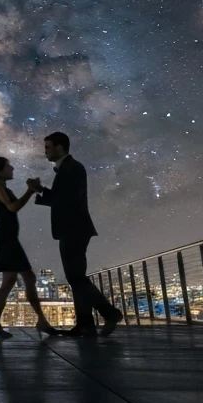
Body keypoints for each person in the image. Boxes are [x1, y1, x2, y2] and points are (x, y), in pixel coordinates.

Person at [26, 132, 122, 337]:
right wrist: (41, 190)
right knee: (76, 278)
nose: (45, 152)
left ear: (60, 148)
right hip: (74, 229)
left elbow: (64, 200)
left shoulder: (71, 168)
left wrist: (40, 190)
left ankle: (108, 314)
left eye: (48, 147)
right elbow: (64, 198)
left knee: (76, 278)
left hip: (73, 229)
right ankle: (86, 324)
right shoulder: (69, 168)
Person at [0, 156, 59, 339]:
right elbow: (12, 208)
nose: (12, 169)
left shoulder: (2, 187)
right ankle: (38, 320)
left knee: (15, 280)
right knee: (24, 277)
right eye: (8, 166)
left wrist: (31, 191)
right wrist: (30, 190)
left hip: (8, 237)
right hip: (6, 238)